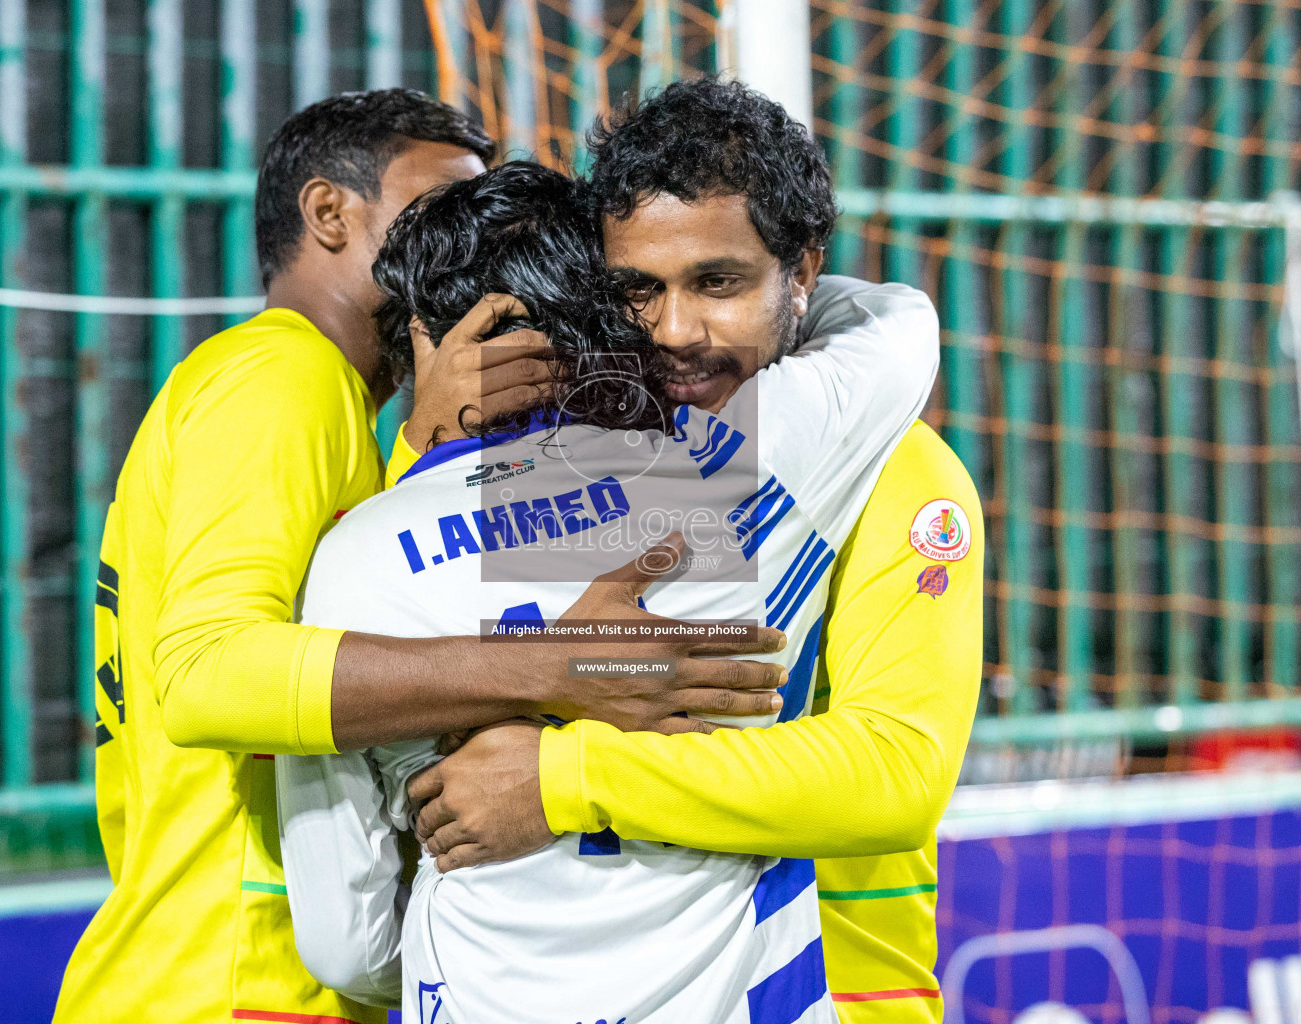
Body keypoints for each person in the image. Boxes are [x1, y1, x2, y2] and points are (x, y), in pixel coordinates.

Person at [54, 90, 788, 1024]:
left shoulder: (338, 414)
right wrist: (563, 668)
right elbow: (206, 676)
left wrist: (424, 459)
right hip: (241, 985)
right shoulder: (283, 380)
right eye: (437, 202)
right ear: (329, 214)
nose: (461, 237)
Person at [276, 160, 936, 1022]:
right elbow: (899, 325)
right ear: (606, 313)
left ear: (420, 341)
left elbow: (347, 945)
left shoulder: (349, 559)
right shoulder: (732, 466)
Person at [406, 78, 984, 1022]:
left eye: (718, 283)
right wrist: (424, 459)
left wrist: (566, 780)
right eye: (640, 289)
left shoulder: (905, 476)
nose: (676, 331)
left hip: (827, 995)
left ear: (801, 273)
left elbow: (894, 773)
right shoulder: (560, 456)